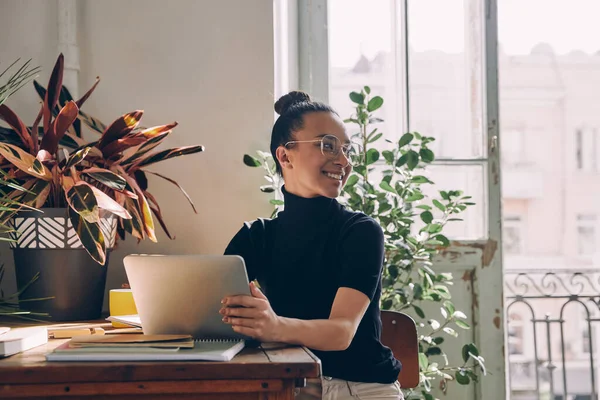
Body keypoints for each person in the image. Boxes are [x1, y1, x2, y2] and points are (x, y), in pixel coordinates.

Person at [222, 91, 403, 399]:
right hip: (287, 384)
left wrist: (274, 326)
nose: (344, 161)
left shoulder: (361, 232)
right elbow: (214, 313)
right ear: (284, 156)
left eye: (346, 149)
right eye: (327, 145)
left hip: (361, 389)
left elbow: (341, 331)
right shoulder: (256, 237)